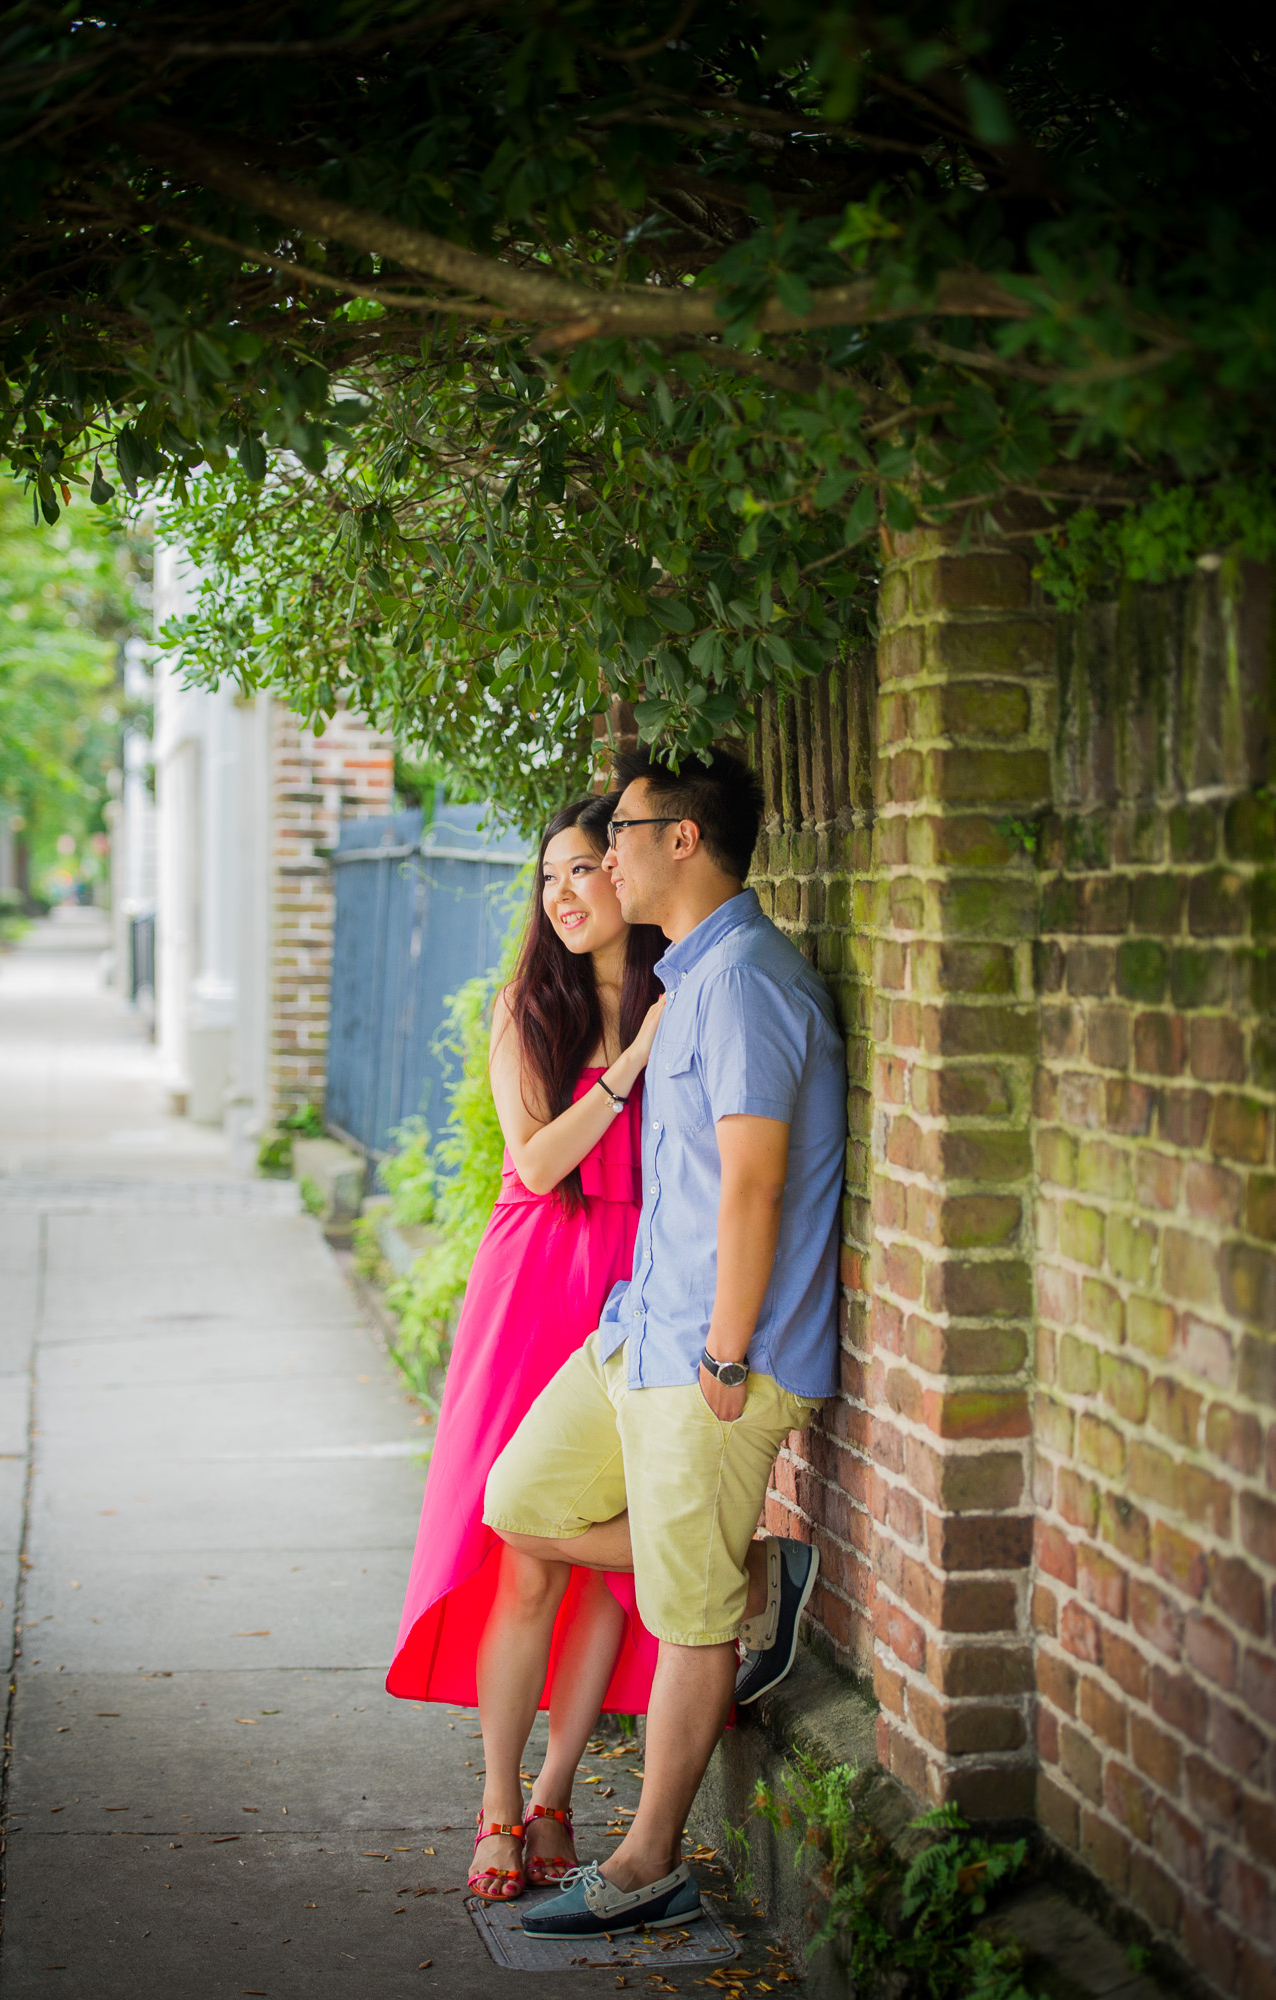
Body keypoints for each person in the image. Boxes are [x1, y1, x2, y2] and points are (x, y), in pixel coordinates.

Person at [482, 747, 847, 1939]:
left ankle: (646, 1862)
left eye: (622, 831)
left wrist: (727, 1357)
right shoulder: (686, 978)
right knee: (518, 1496)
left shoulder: (744, 982)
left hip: (711, 1359)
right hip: (636, 1332)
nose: (605, 850)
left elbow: (750, 1185)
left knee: (683, 1623)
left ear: (680, 840)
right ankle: (746, 1572)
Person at [386, 795, 668, 1903]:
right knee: (524, 1545)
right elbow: (540, 1162)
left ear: (632, 873)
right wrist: (628, 1063)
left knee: (598, 1554)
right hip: (536, 1278)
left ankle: (556, 1794)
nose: (560, 892)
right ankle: (497, 1797)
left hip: (635, 1279)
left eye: (584, 867)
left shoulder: (675, 988)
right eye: (546, 874)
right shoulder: (527, 1007)